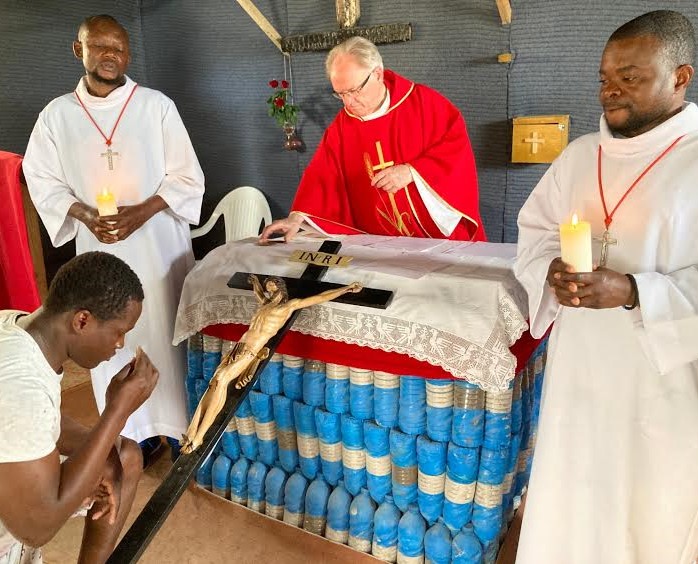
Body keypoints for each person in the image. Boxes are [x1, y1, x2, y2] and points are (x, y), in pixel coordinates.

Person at [514, 10, 698, 563]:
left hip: (661, 385)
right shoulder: (576, 158)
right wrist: (548, 267)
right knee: (574, 505)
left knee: (651, 515)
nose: (610, 92)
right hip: (579, 377)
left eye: (630, 77)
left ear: (680, 77)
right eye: (603, 78)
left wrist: (637, 291)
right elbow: (536, 232)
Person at [22, 15, 205, 458]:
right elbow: (40, 177)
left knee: (166, 334)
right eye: (100, 46)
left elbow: (187, 177)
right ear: (78, 49)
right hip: (100, 248)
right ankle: (130, 435)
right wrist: (84, 213)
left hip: (159, 246)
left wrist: (143, 211)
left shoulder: (156, 106)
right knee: (109, 339)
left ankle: (182, 431)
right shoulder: (57, 115)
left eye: (119, 48)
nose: (110, 56)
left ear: (128, 54)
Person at [0, 251, 159, 564]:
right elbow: (38, 527)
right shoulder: (21, 383)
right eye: (118, 331)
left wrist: (107, 454)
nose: (120, 344)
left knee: (123, 456)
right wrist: (118, 410)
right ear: (82, 320)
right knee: (109, 455)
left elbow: (40, 422)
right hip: (25, 518)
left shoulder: (20, 325)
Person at [260, 36, 486, 243]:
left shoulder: (425, 105)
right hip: (377, 241)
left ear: (377, 74)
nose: (349, 102)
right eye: (341, 94)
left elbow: (456, 152)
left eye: (355, 90)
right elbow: (322, 173)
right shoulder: (342, 125)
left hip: (435, 238)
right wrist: (296, 217)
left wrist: (412, 172)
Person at [181, 275, 362, 453]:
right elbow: (258, 293)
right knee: (214, 382)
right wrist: (255, 283)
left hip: (251, 350)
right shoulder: (265, 305)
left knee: (221, 380)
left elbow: (319, 297)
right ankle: (193, 430)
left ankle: (200, 436)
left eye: (271, 284)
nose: (268, 288)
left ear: (280, 286)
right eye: (266, 285)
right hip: (239, 346)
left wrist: (345, 289)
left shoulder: (288, 306)